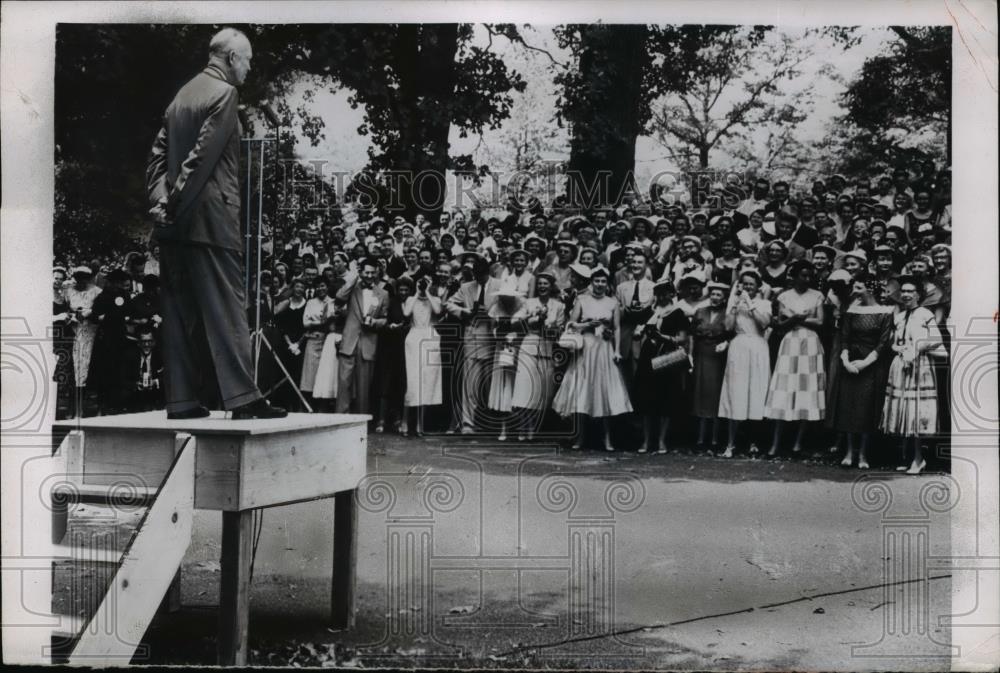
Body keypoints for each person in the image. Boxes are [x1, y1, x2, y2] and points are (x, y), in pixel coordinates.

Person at [145, 27, 285, 419]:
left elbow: (157, 158)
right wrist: (172, 205)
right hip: (209, 221)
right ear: (230, 58)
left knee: (178, 313)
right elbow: (200, 161)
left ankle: (182, 400)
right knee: (227, 309)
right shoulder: (225, 94)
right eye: (248, 60)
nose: (250, 68)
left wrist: (159, 203)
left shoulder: (180, 97)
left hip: (174, 224)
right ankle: (244, 399)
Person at [551, 267, 633, 451]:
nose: (600, 284)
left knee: (603, 391)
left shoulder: (613, 303)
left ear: (607, 284)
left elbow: (617, 328)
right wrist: (586, 324)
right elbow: (570, 325)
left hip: (604, 348)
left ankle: (607, 438)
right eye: (597, 281)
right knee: (583, 390)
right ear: (591, 282)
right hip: (585, 348)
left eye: (603, 281)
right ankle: (580, 437)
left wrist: (617, 350)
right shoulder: (582, 300)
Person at [827, 273, 894, 469]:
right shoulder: (851, 310)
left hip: (871, 364)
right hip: (850, 362)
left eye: (859, 288)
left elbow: (883, 343)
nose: (854, 292)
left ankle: (863, 454)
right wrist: (846, 360)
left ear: (870, 289)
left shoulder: (885, 311)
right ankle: (849, 451)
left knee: (866, 410)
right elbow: (845, 337)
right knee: (848, 407)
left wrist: (865, 363)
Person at [881, 277, 944, 475]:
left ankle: (919, 459)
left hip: (920, 365)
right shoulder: (899, 316)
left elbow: (936, 338)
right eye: (904, 291)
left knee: (915, 410)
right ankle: (907, 457)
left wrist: (915, 349)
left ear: (918, 294)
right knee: (903, 410)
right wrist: (898, 348)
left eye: (910, 291)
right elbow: (893, 341)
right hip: (901, 364)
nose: (906, 294)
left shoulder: (925, 313)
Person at [765, 260, 827, 456]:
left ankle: (798, 443)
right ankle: (775, 443)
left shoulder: (817, 295)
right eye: (803, 275)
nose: (807, 279)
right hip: (790, 342)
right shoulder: (784, 296)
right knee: (785, 388)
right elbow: (781, 325)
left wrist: (797, 318)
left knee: (807, 390)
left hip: (810, 343)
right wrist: (794, 319)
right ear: (795, 276)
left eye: (810, 276)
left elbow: (820, 321)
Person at [718, 269, 772, 458]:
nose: (748, 287)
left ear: (758, 286)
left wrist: (749, 303)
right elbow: (727, 326)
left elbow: (764, 323)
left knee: (756, 392)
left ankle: (753, 442)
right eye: (745, 283)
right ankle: (730, 444)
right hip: (739, 346)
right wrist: (733, 305)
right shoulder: (734, 302)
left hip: (758, 347)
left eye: (751, 284)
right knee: (736, 391)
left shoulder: (764, 303)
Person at [631, 280, 690, 454]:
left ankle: (662, 441)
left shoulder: (678, 313)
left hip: (667, 356)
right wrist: (638, 333)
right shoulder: (650, 312)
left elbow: (682, 339)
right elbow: (637, 332)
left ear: (672, 294)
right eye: (659, 293)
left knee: (666, 399)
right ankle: (647, 440)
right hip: (648, 355)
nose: (662, 296)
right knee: (647, 398)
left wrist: (663, 337)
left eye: (666, 292)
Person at [447, 254, 503, 433]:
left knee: (491, 384)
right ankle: (467, 423)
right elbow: (449, 304)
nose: (479, 278)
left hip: (492, 339)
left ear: (488, 273)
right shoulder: (466, 287)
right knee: (469, 383)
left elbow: (512, 307)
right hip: (471, 337)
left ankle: (489, 423)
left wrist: (493, 315)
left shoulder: (500, 285)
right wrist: (466, 312)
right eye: (476, 275)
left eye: (482, 275)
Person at [510, 272, 565, 440]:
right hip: (529, 345)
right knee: (523, 389)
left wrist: (550, 326)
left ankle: (532, 427)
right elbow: (514, 321)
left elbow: (560, 330)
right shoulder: (528, 303)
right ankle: (522, 426)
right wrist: (532, 318)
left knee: (539, 391)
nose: (542, 287)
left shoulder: (558, 306)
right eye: (540, 284)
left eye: (545, 284)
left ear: (551, 286)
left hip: (546, 347)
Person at [335, 257, 389, 414]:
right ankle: (340, 420)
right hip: (349, 342)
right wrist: (354, 279)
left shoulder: (383, 294)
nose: (370, 276)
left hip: (368, 342)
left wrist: (374, 322)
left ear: (377, 272)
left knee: (364, 387)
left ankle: (360, 422)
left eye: (373, 272)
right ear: (361, 272)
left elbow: (385, 320)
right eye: (367, 272)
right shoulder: (353, 288)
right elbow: (339, 297)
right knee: (343, 383)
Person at [691, 281, 732, 449]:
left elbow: (731, 334)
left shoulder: (727, 314)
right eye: (713, 294)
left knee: (714, 395)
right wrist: (690, 355)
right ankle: (700, 438)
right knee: (700, 393)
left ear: (724, 298)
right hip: (701, 354)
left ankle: (714, 439)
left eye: (719, 295)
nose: (715, 298)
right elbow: (693, 335)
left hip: (717, 356)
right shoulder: (700, 311)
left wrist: (726, 344)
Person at [402, 273, 444, 436]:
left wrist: (427, 292)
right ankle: (405, 422)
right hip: (414, 338)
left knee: (427, 381)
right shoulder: (410, 299)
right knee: (412, 381)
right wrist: (416, 292)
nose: (424, 284)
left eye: (427, 281)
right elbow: (406, 313)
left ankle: (420, 424)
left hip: (430, 338)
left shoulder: (435, 299)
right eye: (422, 281)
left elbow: (437, 310)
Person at [64, 266, 102, 417]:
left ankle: (89, 407)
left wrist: (90, 313)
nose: (81, 280)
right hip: (74, 329)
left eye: (84, 277)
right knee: (75, 365)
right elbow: (66, 308)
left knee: (88, 365)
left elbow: (100, 310)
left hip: (91, 330)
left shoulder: (96, 291)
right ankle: (73, 408)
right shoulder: (69, 291)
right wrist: (72, 315)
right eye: (78, 277)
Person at [299, 278, 334, 407]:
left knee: (324, 374)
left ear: (327, 286)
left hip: (326, 341)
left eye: (323, 285)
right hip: (313, 340)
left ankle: (323, 406)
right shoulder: (311, 303)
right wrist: (321, 323)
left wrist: (323, 323)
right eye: (318, 286)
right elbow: (305, 323)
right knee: (309, 375)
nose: (320, 289)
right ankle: (308, 405)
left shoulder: (332, 302)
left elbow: (332, 322)